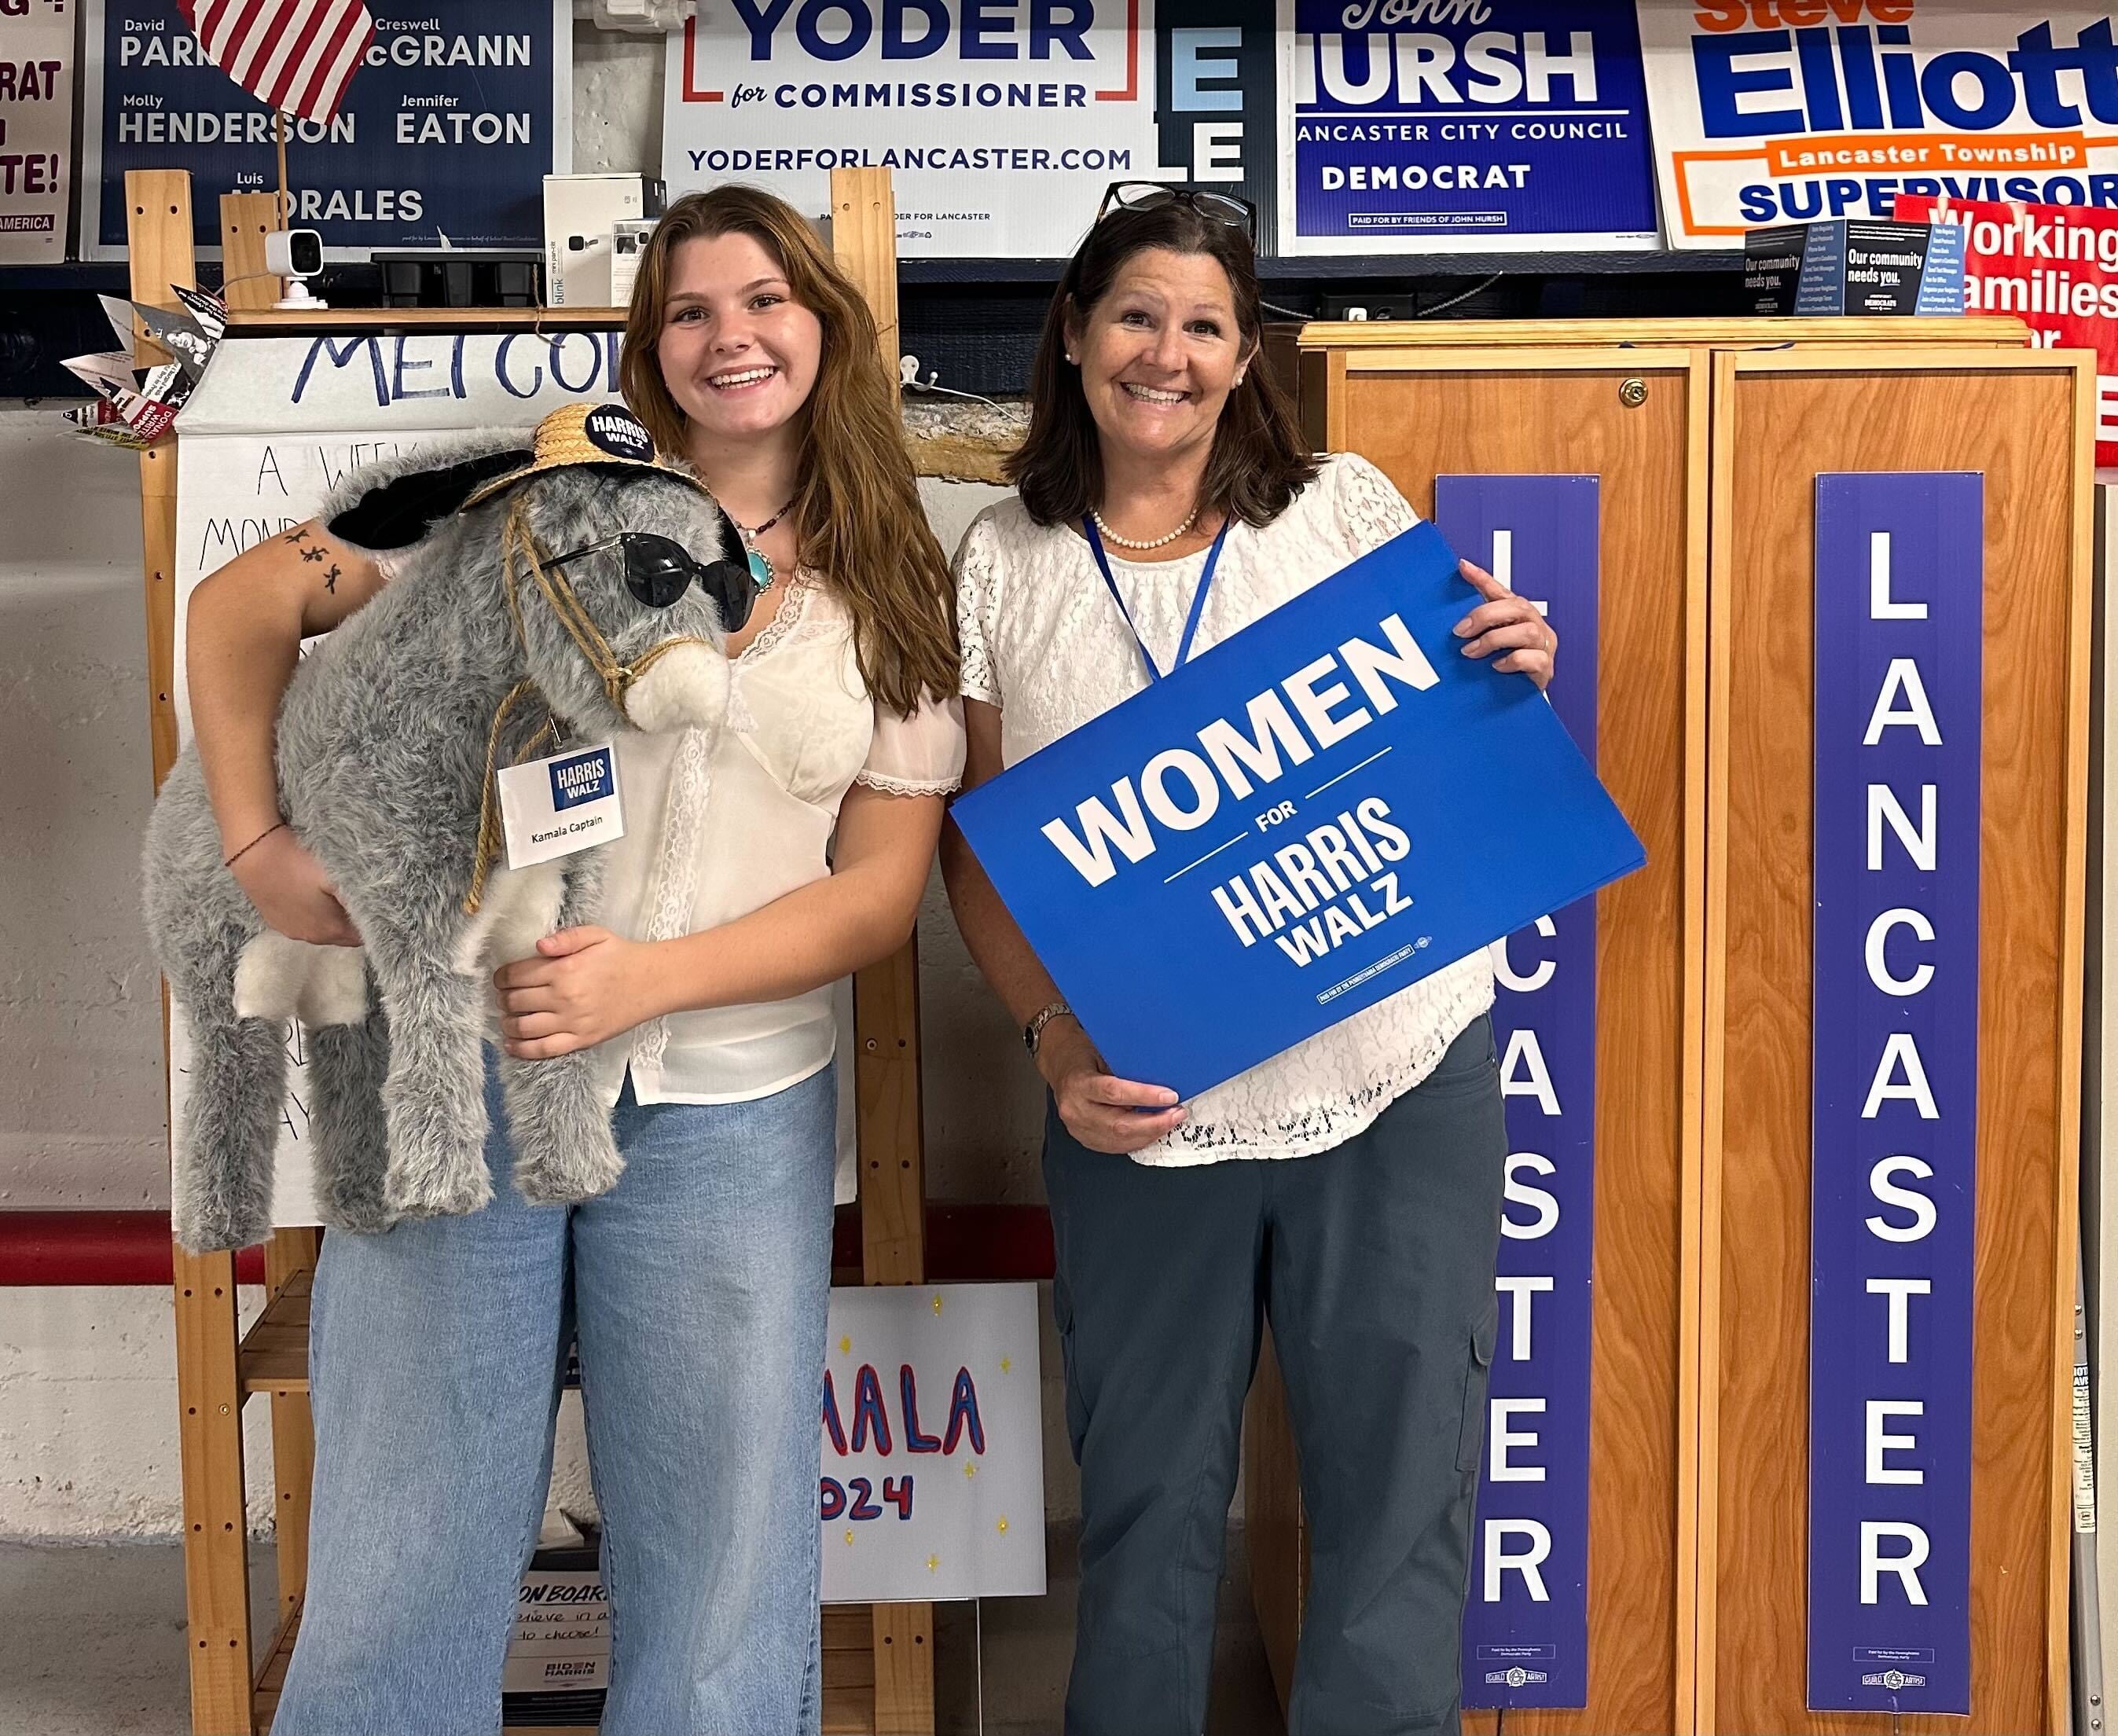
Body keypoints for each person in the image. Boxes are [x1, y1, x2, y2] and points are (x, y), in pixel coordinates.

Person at [184, 185, 964, 1736]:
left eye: (764, 300)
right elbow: (240, 604)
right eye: (690, 310)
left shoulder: (903, 586)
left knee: (723, 1575)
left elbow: (878, 898)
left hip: (733, 1111)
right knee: (405, 1547)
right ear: (650, 343)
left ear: (827, 324)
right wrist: (262, 846)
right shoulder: (535, 512)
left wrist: (648, 984)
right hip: (465, 1090)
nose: (730, 335)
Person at [938, 182, 1557, 1736]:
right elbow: (976, 841)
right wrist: (1048, 1043)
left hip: (1397, 1080)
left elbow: (1451, 737)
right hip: (1141, 1103)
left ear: (1242, 355)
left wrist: (1516, 669)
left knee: (1398, 1512)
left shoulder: (1338, 504)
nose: (1167, 352)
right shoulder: (1001, 557)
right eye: (1136, 314)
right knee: (1147, 1512)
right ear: (1074, 332)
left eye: (1204, 325)